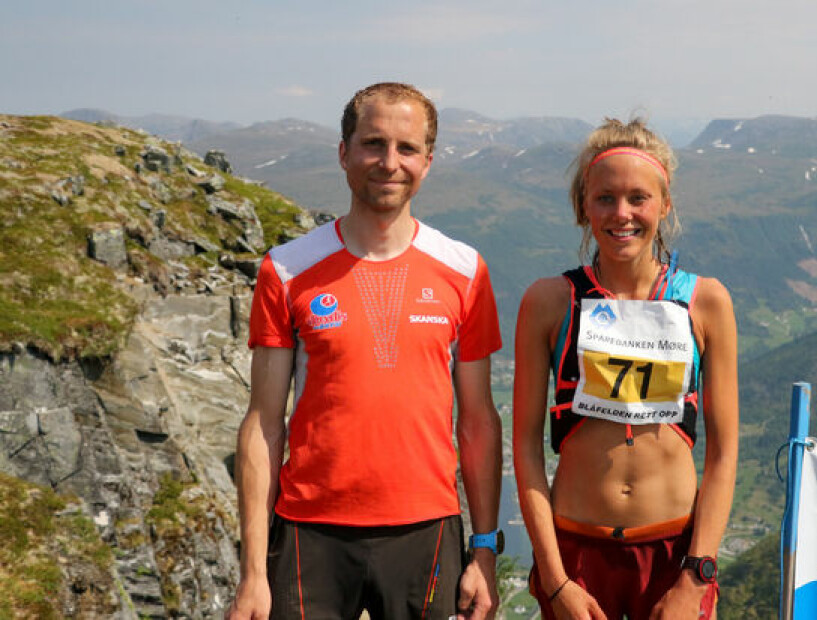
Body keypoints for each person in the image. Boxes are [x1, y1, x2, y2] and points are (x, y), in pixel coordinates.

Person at [228, 82, 503, 620]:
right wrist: (254, 573)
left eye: (407, 148)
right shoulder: (284, 270)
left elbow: (478, 422)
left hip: (427, 528)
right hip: (312, 531)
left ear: (428, 160)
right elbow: (262, 423)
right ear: (344, 153)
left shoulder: (466, 270)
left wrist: (485, 551)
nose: (389, 162)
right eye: (373, 144)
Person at [513, 118, 739, 619]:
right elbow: (525, 447)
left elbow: (724, 453)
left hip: (675, 555)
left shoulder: (706, 302)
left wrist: (694, 578)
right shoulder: (550, 302)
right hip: (575, 553)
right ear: (582, 207)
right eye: (605, 198)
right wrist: (554, 581)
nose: (623, 214)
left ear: (665, 205)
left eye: (638, 198)